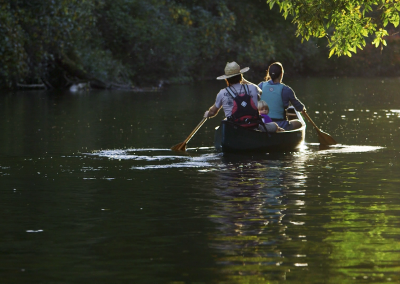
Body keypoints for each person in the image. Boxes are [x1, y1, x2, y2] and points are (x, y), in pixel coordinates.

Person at [204, 61, 278, 133]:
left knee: (224, 123)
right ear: (241, 76)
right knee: (274, 126)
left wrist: (208, 114)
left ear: (226, 79)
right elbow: (260, 91)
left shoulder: (222, 93)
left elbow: (213, 112)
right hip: (253, 127)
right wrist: (243, 80)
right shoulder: (252, 88)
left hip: (234, 128)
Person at [258, 62, 306, 130]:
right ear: (281, 74)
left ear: (269, 74)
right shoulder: (286, 89)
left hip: (263, 123)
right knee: (299, 123)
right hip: (280, 125)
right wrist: (302, 108)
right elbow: (299, 107)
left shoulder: (260, 86)